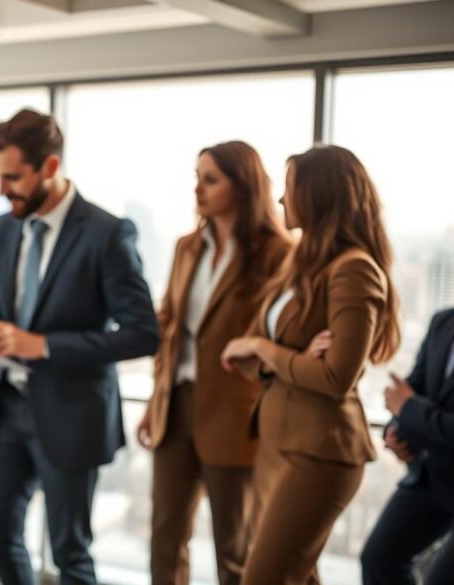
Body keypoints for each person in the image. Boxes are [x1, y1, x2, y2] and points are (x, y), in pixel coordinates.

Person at [0, 108, 160, 585]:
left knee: (69, 554)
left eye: (12, 177)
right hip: (10, 411)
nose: (2, 190)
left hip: (72, 414)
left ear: (50, 167)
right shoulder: (4, 228)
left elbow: (142, 333)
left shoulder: (107, 233)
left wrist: (43, 346)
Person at [221, 145, 401, 584]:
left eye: (289, 189)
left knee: (263, 578)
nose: (280, 200)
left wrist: (268, 352)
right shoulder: (303, 265)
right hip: (277, 442)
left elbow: (336, 378)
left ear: (319, 196)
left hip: (318, 453)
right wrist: (280, 356)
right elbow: (246, 352)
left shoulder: (354, 270)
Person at [137, 141, 291, 585]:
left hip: (235, 413)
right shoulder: (188, 247)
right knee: (165, 540)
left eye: (210, 179)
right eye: (197, 177)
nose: (198, 189)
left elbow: (277, 332)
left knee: (235, 548)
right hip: (176, 406)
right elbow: (170, 328)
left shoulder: (276, 253)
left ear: (242, 185)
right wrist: (155, 400)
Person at [360, 307, 454, 584]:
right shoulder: (443, 321)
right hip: (433, 475)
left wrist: (409, 408)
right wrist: (396, 432)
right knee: (378, 559)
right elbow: (411, 389)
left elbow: (409, 402)